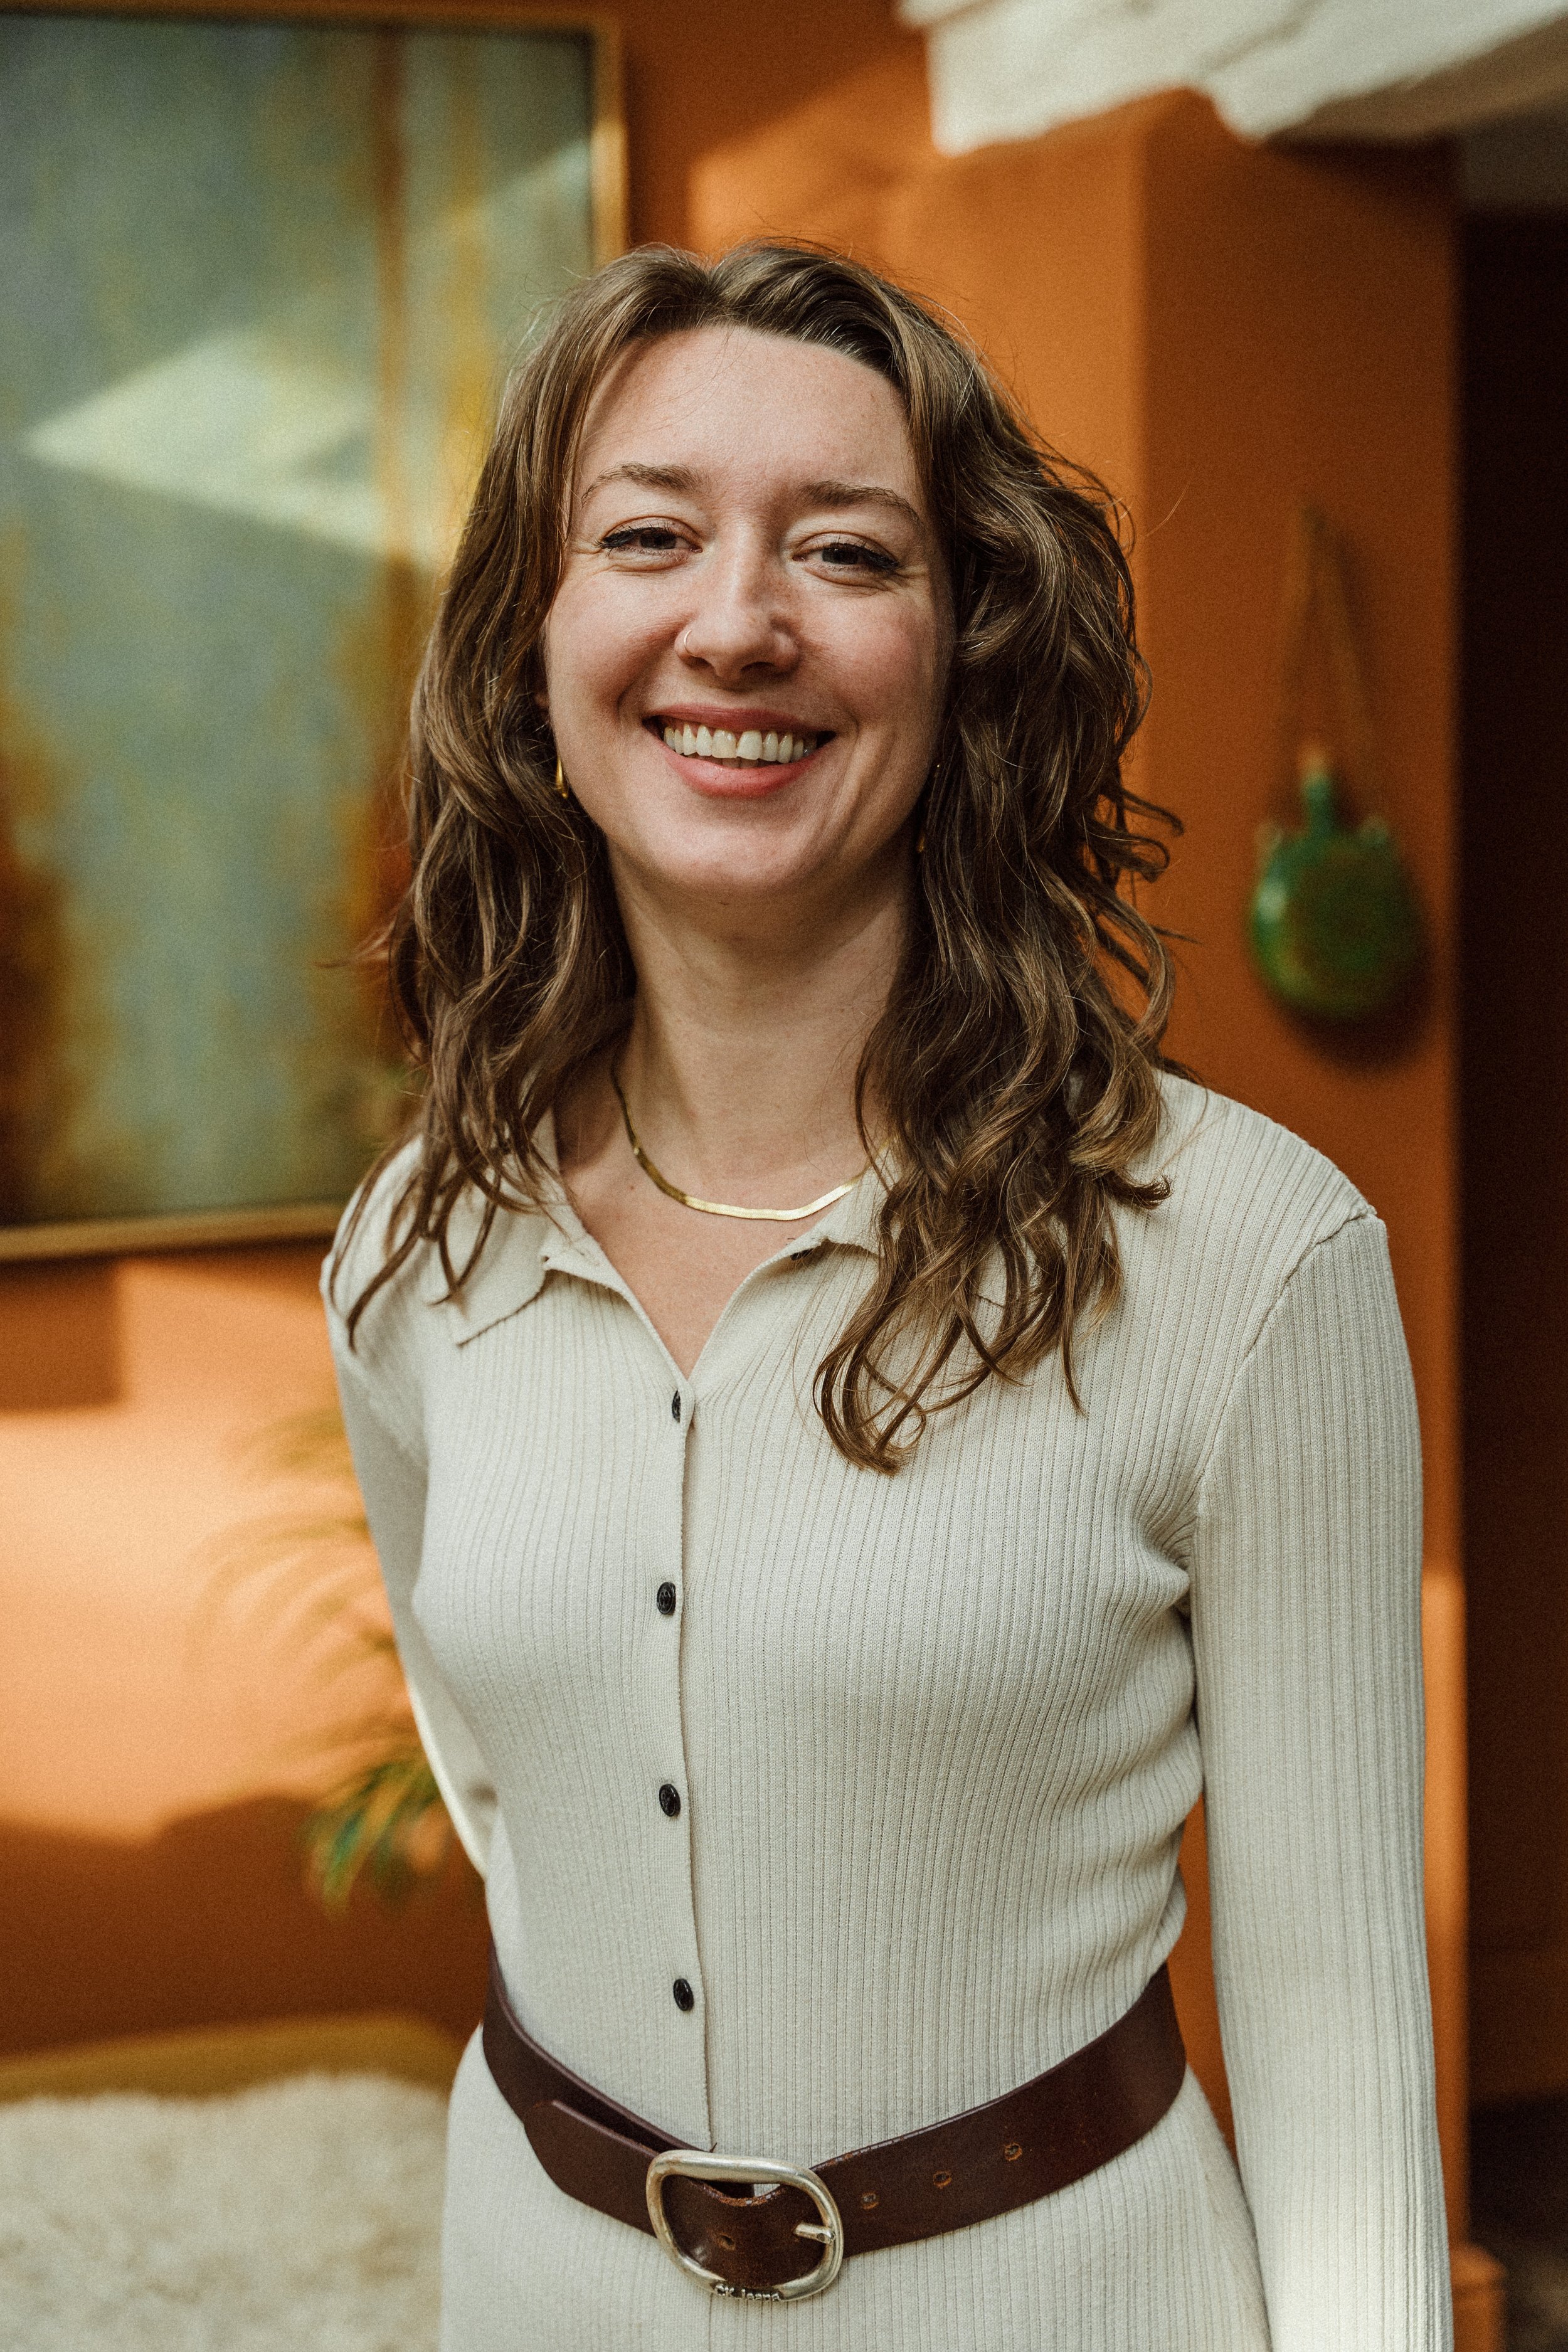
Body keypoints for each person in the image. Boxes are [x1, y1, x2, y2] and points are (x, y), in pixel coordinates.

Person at [324, 242, 1449, 2351]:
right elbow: (508, 1803)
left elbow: (1331, 2033)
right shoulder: (414, 1247)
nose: (733, 622)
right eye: (644, 536)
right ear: (533, 648)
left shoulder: (1246, 1258)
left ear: (967, 652)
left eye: (843, 551)